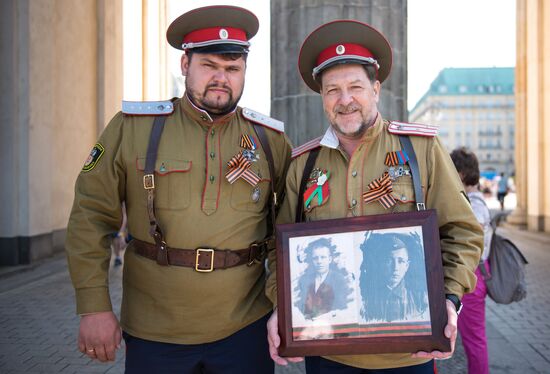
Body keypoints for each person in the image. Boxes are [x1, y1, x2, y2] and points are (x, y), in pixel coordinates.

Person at [65, 5, 292, 373]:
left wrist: (285, 308)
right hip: (155, 330)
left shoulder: (270, 140)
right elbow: (90, 215)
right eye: (209, 66)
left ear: (245, 72)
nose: (222, 79)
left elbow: (285, 232)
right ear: (185, 65)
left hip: (245, 329)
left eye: (232, 69)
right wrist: (94, 305)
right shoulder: (133, 128)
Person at [265, 19, 483, 372]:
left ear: (376, 89)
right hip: (328, 353)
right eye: (332, 90)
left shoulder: (421, 151)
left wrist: (450, 299)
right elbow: (280, 252)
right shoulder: (303, 164)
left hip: (408, 351)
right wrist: (282, 306)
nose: (345, 100)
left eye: (355, 87)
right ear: (322, 97)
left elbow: (463, 231)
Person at [450, 147, 492, 374]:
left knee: (474, 340)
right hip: (474, 274)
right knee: (473, 338)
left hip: (472, 276)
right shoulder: (475, 202)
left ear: (462, 174)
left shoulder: (473, 206)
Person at [360, 233, 428, 323]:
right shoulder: (367, 299)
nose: (395, 267)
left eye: (401, 261)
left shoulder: (420, 299)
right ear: (380, 264)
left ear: (407, 266)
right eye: (388, 261)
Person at [295, 237, 352, 319]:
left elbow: (342, 309)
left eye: (323, 257)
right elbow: (301, 308)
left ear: (329, 259)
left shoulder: (339, 280)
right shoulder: (304, 280)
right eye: (315, 258)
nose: (319, 261)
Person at [111, 202, 129, 267]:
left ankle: (118, 257)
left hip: (126, 226)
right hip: (118, 225)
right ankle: (117, 257)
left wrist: (121, 234)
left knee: (119, 240)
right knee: (115, 239)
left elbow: (124, 217)